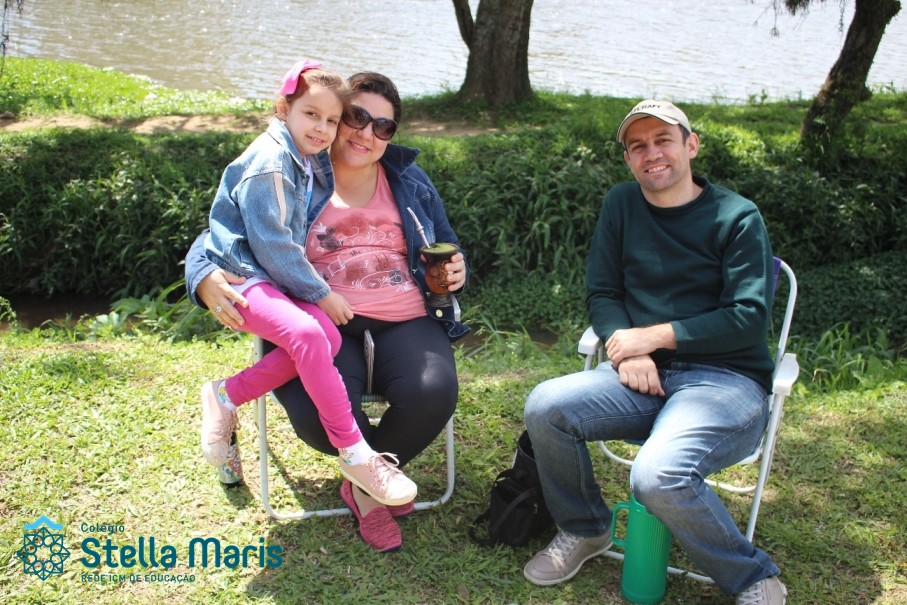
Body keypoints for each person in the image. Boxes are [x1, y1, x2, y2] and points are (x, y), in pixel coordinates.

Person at [186, 71, 469, 552]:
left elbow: (445, 242)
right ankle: (369, 472)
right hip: (321, 316)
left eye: (383, 126)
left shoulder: (410, 181)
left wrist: (458, 267)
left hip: (405, 317)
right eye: (356, 117)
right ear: (337, 117)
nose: (366, 133)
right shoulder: (296, 168)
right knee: (319, 418)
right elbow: (226, 229)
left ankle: (365, 488)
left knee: (433, 393)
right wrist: (201, 275)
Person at [521, 100, 787, 604]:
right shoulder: (622, 204)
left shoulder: (737, 216)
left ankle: (753, 576)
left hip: (725, 382)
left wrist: (653, 337)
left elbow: (748, 316)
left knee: (656, 475)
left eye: (664, 140)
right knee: (545, 406)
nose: (652, 153)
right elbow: (603, 292)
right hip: (638, 377)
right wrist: (630, 351)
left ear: (691, 145)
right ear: (628, 159)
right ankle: (585, 528)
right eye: (638, 146)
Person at [199, 59, 419, 509]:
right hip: (247, 274)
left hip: (273, 278)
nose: (322, 128)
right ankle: (355, 451)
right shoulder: (273, 164)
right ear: (283, 109)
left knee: (326, 337)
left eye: (331, 120)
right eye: (312, 115)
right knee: (308, 333)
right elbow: (272, 245)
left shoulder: (302, 157)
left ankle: (226, 395)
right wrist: (322, 293)